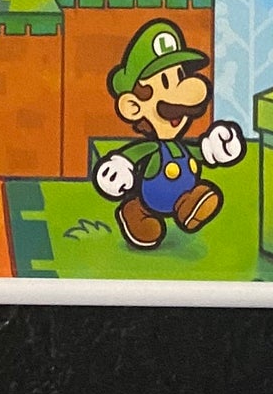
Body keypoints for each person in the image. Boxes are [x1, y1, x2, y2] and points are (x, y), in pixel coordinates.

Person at [91, 19, 244, 249]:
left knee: (192, 195)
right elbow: (133, 155)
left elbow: (198, 152)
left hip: (182, 195)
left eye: (180, 76)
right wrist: (120, 167)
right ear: (133, 106)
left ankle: (188, 206)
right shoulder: (151, 148)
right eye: (165, 82)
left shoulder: (181, 146)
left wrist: (213, 148)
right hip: (151, 200)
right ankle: (136, 212)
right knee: (144, 217)